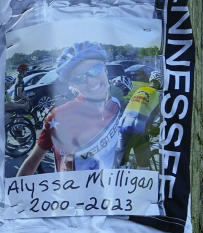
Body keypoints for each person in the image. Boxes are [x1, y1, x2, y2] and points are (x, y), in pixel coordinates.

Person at [17, 42, 124, 175]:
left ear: (106, 69)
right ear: (72, 86)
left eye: (95, 70)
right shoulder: (60, 117)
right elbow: (33, 161)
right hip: (71, 193)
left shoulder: (115, 105)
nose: (91, 81)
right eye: (79, 78)